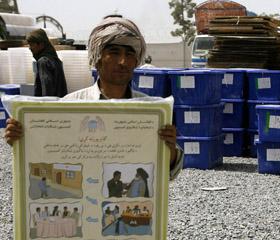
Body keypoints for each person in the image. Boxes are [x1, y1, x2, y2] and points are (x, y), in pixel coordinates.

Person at [4, 17, 183, 180]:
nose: (123, 61)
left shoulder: (150, 112)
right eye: (114, 53)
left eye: (129, 55)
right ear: (97, 59)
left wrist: (170, 150)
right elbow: (47, 155)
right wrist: (22, 140)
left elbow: (168, 174)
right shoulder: (70, 106)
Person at [25, 29, 67, 97]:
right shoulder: (55, 59)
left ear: (41, 45)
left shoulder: (43, 62)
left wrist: (45, 105)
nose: (29, 48)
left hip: (50, 105)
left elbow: (47, 90)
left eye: (31, 45)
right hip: (59, 102)